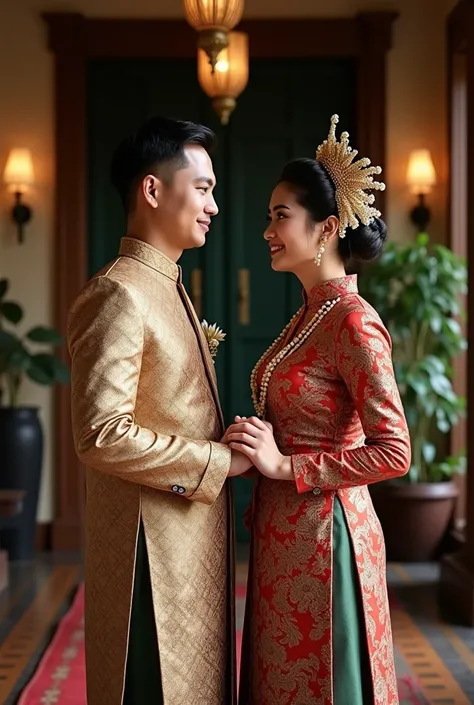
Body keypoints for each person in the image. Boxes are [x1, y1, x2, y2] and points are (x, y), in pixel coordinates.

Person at [225, 115, 411, 705]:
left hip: (326, 538)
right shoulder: (310, 316)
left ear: (327, 227)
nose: (267, 231)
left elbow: (394, 450)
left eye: (281, 216)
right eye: (270, 217)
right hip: (284, 536)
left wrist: (285, 467)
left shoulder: (353, 322)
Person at [67, 116, 250, 705]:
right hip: (150, 553)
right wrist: (214, 462)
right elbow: (100, 434)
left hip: (187, 543)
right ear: (152, 190)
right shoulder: (119, 293)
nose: (213, 206)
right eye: (202, 188)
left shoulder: (166, 286)